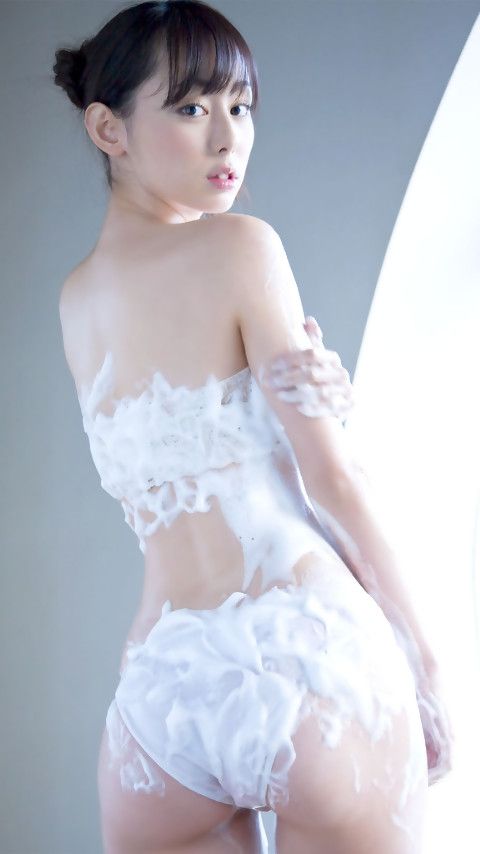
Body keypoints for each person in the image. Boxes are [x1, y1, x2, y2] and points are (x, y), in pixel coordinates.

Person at [53, 2, 453, 852]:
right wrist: (429, 665)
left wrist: (326, 401)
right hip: (308, 658)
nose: (227, 137)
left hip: (162, 698)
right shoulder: (241, 247)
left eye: (241, 107)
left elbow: (184, 474)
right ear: (107, 127)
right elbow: (332, 479)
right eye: (192, 107)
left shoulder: (76, 300)